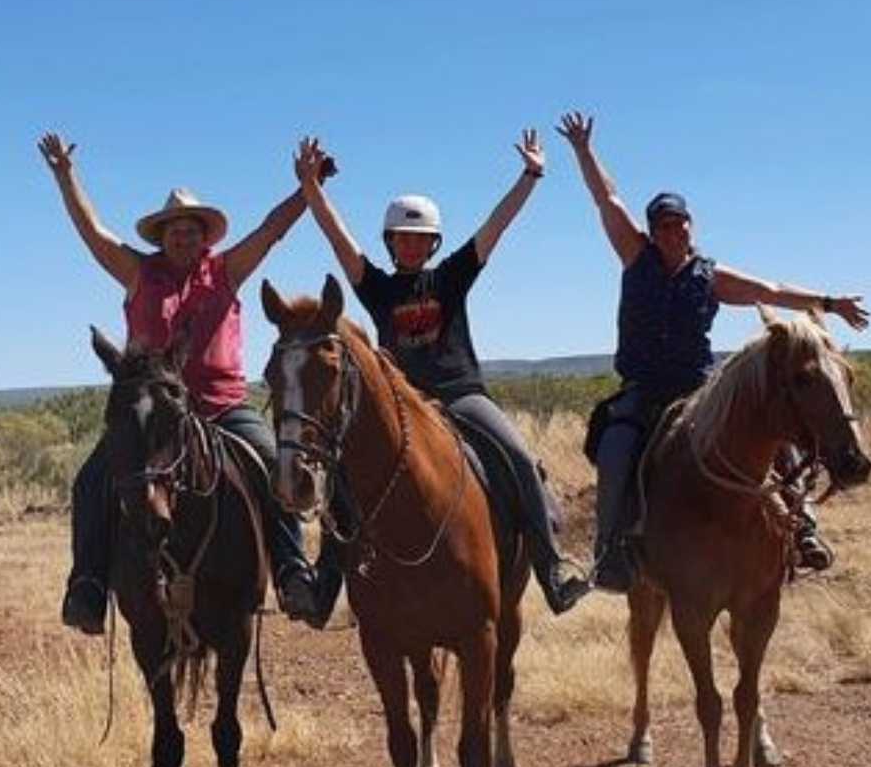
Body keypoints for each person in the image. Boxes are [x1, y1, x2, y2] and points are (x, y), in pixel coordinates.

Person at [556, 111, 870, 591]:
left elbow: (772, 289)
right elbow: (607, 198)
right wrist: (583, 150)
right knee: (618, 446)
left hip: (700, 387)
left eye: (679, 223)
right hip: (645, 388)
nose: (672, 232)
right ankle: (612, 550)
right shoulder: (635, 257)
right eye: (662, 225)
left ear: (691, 227)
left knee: (777, 430)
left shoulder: (710, 276)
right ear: (651, 230)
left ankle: (803, 526)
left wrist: (828, 302)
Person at [38, 132, 336, 633]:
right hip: (153, 412)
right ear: (162, 237)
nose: (183, 237)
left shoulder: (225, 271)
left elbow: (270, 231)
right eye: (174, 230)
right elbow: (92, 232)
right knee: (92, 480)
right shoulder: (137, 271)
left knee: (269, 463)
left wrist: (306, 189)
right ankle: (87, 585)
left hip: (222, 405)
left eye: (191, 230)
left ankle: (290, 571)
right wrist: (66, 175)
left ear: (205, 236)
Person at [293, 130, 591, 615]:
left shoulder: (450, 276)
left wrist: (530, 176)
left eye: (421, 239)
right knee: (343, 479)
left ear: (433, 245)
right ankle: (324, 586)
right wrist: (312, 189)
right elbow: (337, 238)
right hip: (402, 405)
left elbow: (495, 227)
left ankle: (552, 569)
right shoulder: (378, 288)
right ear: (390, 243)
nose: (411, 246)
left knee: (515, 456)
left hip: (459, 395)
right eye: (402, 239)